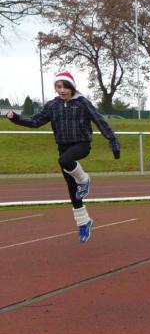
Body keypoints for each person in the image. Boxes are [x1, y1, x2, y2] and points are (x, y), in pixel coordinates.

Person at [6, 72, 120, 242]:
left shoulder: (82, 103)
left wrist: (113, 140)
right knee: (72, 190)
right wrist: (16, 118)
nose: (62, 90)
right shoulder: (53, 105)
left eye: (65, 87)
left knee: (65, 161)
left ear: (72, 88)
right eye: (58, 87)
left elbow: (99, 121)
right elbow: (36, 121)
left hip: (81, 145)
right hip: (63, 147)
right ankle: (84, 222)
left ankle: (85, 180)